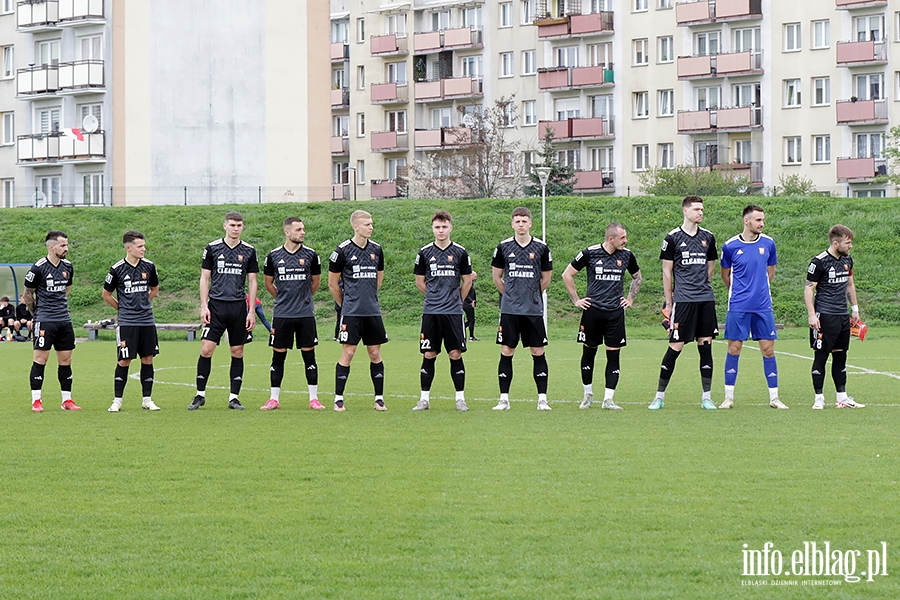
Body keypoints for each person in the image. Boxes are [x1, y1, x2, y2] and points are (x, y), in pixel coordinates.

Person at [649, 196, 719, 411]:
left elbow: (710, 267)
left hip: (705, 300)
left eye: (702, 209)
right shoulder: (672, 238)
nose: (701, 212)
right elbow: (666, 272)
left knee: (705, 346)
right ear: (686, 211)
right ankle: (659, 396)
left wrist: (701, 286)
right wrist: (670, 302)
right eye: (697, 209)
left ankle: (707, 397)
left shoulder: (708, 237)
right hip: (683, 301)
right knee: (675, 347)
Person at [562, 222, 642, 411]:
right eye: (622, 238)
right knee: (589, 353)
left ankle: (608, 399)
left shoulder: (627, 255)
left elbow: (637, 277)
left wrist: (630, 299)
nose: (626, 241)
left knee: (613, 356)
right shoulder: (590, 253)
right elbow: (567, 274)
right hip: (593, 312)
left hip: (615, 313)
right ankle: (587, 395)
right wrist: (576, 300)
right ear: (610, 238)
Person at [719, 205, 787, 410]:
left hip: (763, 306)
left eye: (763, 220)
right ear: (746, 221)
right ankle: (728, 397)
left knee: (768, 350)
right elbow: (725, 275)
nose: (762, 224)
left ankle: (774, 398)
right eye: (758, 220)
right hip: (738, 306)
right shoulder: (730, 246)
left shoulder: (768, 243)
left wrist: (759, 291)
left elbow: (770, 273)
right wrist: (740, 293)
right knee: (734, 348)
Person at [189, 212, 259, 410]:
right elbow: (205, 278)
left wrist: (251, 310)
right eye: (232, 225)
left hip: (238, 307)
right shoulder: (212, 248)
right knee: (206, 349)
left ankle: (234, 398)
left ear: (243, 227)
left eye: (239, 225)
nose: (236, 228)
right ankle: (200, 395)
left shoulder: (249, 250)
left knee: (237, 351)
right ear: (225, 226)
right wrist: (204, 306)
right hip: (216, 306)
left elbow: (252, 281)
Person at [490, 206, 553, 411]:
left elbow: (546, 279)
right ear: (512, 224)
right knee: (507, 350)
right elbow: (497, 277)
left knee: (538, 351)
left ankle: (542, 399)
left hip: (533, 310)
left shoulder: (542, 248)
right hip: (510, 310)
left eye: (524, 221)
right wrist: (510, 295)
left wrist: (532, 294)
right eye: (517, 221)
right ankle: (503, 399)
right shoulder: (503, 247)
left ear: (530, 223)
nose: (521, 225)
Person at [412, 210, 473, 412]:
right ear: (433, 228)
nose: (441, 230)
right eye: (437, 227)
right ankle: (424, 399)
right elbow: (420, 282)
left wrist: (457, 300)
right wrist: (435, 296)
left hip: (453, 313)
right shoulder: (424, 253)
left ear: (450, 228)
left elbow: (467, 280)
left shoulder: (460, 252)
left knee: (455, 354)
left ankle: (460, 399)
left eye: (444, 226)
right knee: (429, 353)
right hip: (431, 312)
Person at [261, 217, 324, 411]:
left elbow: (316, 283)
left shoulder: (312, 255)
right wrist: (283, 299)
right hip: (282, 314)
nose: (302, 232)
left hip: (305, 314)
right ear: (287, 232)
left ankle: (314, 399)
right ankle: (274, 399)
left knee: (309, 356)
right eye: (298, 229)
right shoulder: (273, 256)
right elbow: (268, 283)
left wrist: (303, 299)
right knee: (278, 356)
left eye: (303, 229)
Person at [328, 210, 388, 411]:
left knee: (374, 352)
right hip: (351, 312)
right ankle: (338, 398)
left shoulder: (377, 249)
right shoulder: (342, 251)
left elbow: (379, 278)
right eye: (367, 224)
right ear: (356, 226)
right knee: (349, 352)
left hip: (372, 311)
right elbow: (332, 284)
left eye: (371, 223)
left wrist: (369, 296)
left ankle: (379, 399)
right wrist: (346, 304)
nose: (371, 227)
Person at [805, 225, 865, 409]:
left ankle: (842, 398)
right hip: (825, 315)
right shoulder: (819, 262)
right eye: (848, 243)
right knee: (821, 356)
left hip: (842, 315)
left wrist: (854, 309)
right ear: (836, 242)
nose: (850, 246)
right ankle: (819, 398)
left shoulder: (848, 259)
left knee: (841, 356)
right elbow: (809, 288)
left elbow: (849, 285)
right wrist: (812, 315)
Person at [102, 231, 161, 412]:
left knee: (148, 359)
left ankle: (147, 400)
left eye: (143, 245)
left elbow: (154, 289)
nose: (144, 249)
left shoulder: (149, 266)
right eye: (140, 246)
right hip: (127, 322)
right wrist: (123, 308)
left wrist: (143, 304)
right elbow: (106, 294)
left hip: (147, 321)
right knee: (124, 360)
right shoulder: (117, 269)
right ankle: (117, 401)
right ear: (129, 248)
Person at [23, 230, 80, 412]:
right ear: (51, 247)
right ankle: (36, 401)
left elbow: (67, 287)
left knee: (66, 360)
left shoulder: (67, 267)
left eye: (67, 245)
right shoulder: (38, 268)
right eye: (63, 245)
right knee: (40, 360)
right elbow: (27, 294)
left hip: (64, 319)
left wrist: (59, 304)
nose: (66, 248)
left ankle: (66, 400)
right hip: (45, 320)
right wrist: (36, 313)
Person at [463, 271, 478, 341]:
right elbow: (466, 294)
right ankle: (471, 336)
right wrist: (471, 301)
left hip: (469, 304)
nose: (476, 277)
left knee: (471, 320)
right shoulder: (468, 284)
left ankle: (471, 335)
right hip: (467, 304)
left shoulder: (471, 284)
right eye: (475, 276)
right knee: (471, 320)